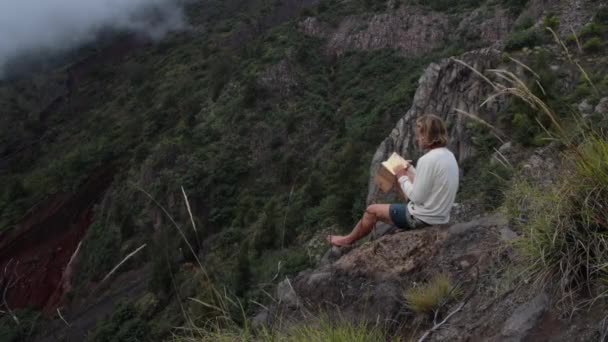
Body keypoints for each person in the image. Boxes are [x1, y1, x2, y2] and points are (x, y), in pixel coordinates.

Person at [327, 114, 459, 246]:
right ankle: (394, 206)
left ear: (427, 136)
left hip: (423, 219)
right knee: (397, 165)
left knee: (371, 211)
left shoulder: (427, 160)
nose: (417, 139)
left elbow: (417, 197)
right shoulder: (448, 155)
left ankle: (347, 240)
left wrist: (401, 175)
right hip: (440, 217)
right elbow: (428, 182)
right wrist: (409, 169)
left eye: (419, 135)